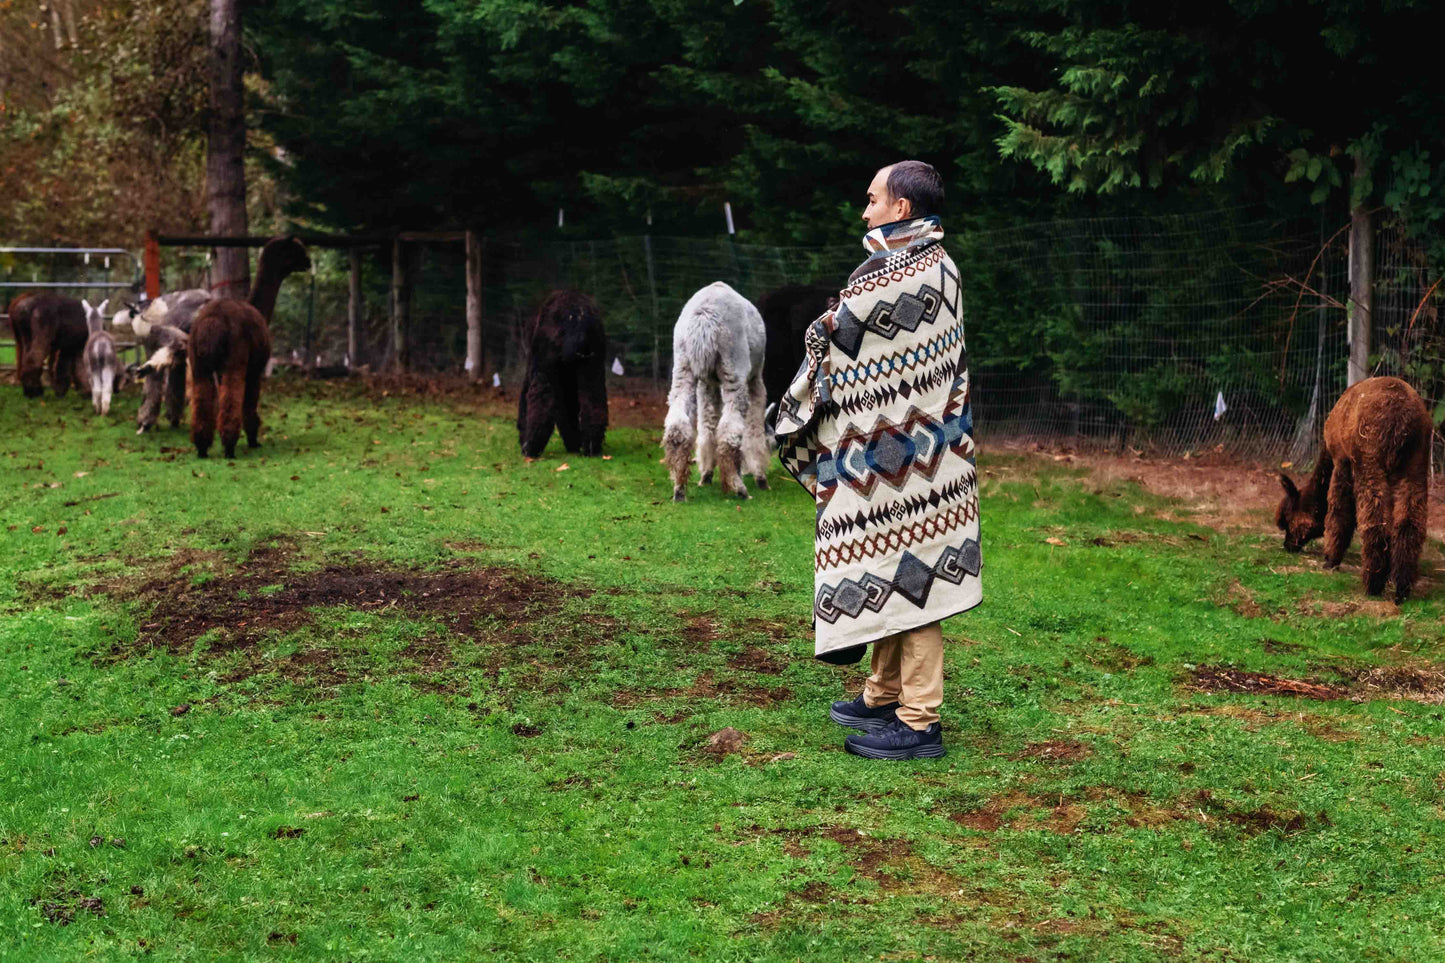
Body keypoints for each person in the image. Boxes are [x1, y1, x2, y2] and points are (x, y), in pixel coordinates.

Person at [774, 160, 982, 760]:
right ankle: (884, 691)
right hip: (911, 452)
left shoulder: (909, 275)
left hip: (914, 460)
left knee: (917, 573)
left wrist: (795, 400)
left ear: (902, 209)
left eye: (872, 200)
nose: (864, 211)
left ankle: (919, 722)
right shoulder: (929, 267)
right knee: (892, 563)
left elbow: (834, 330)